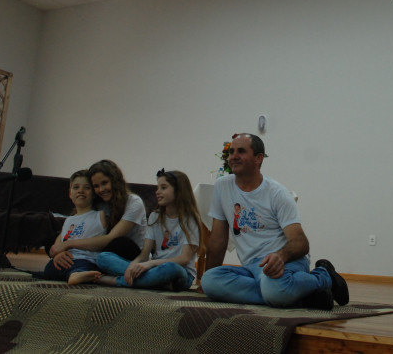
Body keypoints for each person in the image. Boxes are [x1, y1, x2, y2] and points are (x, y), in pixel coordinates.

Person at [200, 133, 349, 310]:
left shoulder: (277, 193)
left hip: (287, 262)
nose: (234, 156)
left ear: (258, 158)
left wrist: (280, 256)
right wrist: (206, 281)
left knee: (275, 288)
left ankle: (324, 276)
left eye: (241, 151)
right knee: (210, 281)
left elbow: (301, 243)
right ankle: (300, 296)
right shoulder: (222, 186)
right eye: (231, 152)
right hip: (252, 268)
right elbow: (218, 238)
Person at [72, 169, 204, 290]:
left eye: (163, 188)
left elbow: (184, 259)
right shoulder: (155, 216)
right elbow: (144, 254)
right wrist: (133, 266)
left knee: (171, 268)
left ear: (179, 190)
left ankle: (111, 280)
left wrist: (150, 264)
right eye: (158, 187)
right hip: (154, 269)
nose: (157, 192)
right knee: (103, 258)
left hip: (180, 273)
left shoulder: (190, 219)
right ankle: (155, 283)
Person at [48, 160, 147, 273]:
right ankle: (79, 267)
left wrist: (67, 244)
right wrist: (58, 251)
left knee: (118, 243)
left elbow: (110, 238)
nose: (101, 189)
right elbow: (66, 232)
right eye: (96, 186)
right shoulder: (100, 204)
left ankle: (131, 271)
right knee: (51, 240)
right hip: (101, 249)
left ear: (115, 181)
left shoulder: (134, 202)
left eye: (104, 183)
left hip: (129, 252)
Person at [42, 170, 107, 284]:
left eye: (87, 188)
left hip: (86, 259)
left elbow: (103, 241)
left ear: (94, 193)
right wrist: (58, 255)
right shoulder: (69, 220)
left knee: (84, 266)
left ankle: (77, 275)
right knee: (49, 268)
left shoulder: (100, 215)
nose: (81, 190)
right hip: (67, 259)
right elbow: (57, 246)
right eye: (76, 187)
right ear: (70, 194)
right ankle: (72, 275)